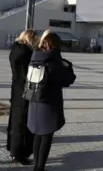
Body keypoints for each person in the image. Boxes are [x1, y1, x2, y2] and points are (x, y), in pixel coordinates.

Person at [27, 29, 75, 171]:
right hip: (48, 102)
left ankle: (37, 165)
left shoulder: (35, 56)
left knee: (37, 134)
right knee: (47, 135)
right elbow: (64, 80)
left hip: (35, 100)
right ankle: (39, 167)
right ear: (55, 44)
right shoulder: (53, 58)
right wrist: (69, 71)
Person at [7, 29, 37, 165]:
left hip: (16, 88)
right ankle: (20, 153)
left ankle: (14, 151)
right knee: (23, 122)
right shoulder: (26, 52)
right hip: (24, 89)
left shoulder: (15, 50)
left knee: (15, 121)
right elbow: (28, 74)